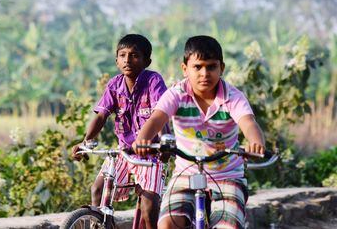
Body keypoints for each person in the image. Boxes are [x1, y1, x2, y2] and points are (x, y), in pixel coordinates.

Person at [133, 35, 266, 229]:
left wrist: (256, 142)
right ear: (185, 68)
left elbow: (249, 123)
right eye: (197, 67)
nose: (204, 73)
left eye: (211, 66)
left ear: (222, 68)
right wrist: (142, 139)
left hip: (228, 175)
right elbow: (156, 118)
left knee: (228, 227)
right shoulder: (176, 94)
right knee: (167, 224)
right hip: (186, 173)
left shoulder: (233, 97)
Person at [72, 34, 169, 229]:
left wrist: (164, 143)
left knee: (149, 206)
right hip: (123, 151)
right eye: (122, 55)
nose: (127, 60)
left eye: (134, 55)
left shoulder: (153, 81)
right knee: (98, 190)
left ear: (146, 61)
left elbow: (161, 114)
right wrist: (85, 141)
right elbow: (101, 115)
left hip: (150, 153)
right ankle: (104, 224)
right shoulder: (114, 85)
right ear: (116, 60)